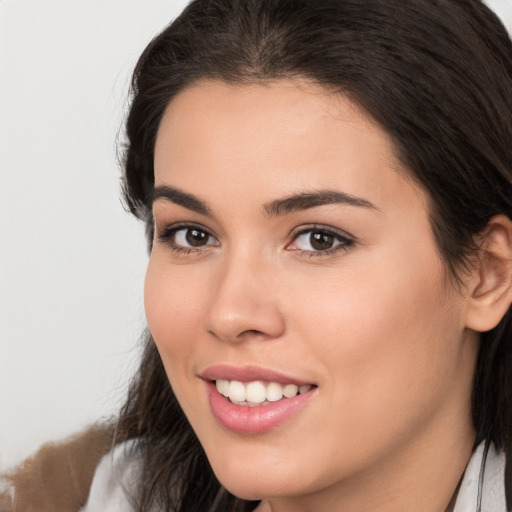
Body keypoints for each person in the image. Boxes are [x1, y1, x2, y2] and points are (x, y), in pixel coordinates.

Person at [2, 0, 512, 510]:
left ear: (488, 275)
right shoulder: (109, 493)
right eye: (192, 235)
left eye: (319, 239)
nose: (229, 313)